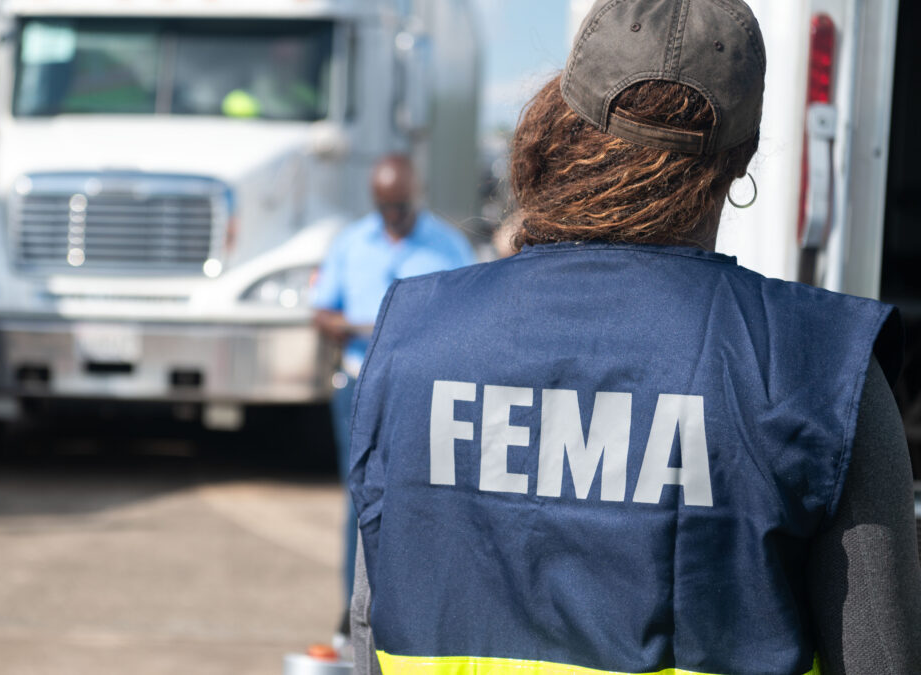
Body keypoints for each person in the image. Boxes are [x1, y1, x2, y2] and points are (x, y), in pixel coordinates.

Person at [347, 1, 921, 674]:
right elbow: (882, 656)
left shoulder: (415, 337)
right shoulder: (821, 366)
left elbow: (370, 625)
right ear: (742, 157)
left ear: (564, 119)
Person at [312, 154, 477, 644]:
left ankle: (416, 614)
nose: (393, 216)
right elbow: (322, 311)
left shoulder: (448, 245)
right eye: (384, 207)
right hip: (360, 385)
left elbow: (471, 313)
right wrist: (353, 326)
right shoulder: (350, 243)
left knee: (422, 501)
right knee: (361, 502)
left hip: (421, 391)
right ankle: (354, 616)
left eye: (401, 206)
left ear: (416, 195)